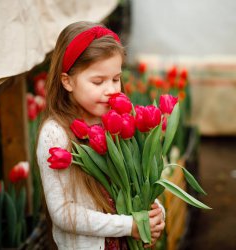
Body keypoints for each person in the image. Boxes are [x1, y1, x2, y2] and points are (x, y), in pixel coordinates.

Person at [36, 21, 165, 250]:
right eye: (98, 81)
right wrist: (129, 225)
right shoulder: (55, 134)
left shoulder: (118, 119)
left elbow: (136, 178)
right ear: (67, 81)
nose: (112, 90)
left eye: (116, 79)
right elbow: (63, 212)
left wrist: (153, 212)